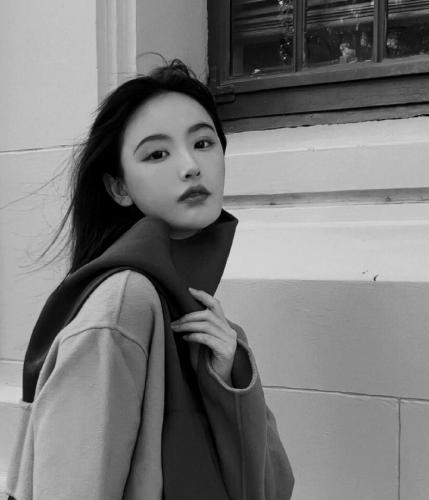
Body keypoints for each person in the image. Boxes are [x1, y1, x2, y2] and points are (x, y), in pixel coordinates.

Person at [6, 59, 295, 499]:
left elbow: (273, 489)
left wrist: (228, 375)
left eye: (203, 143)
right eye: (157, 154)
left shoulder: (201, 315)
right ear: (119, 188)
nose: (191, 166)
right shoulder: (125, 303)